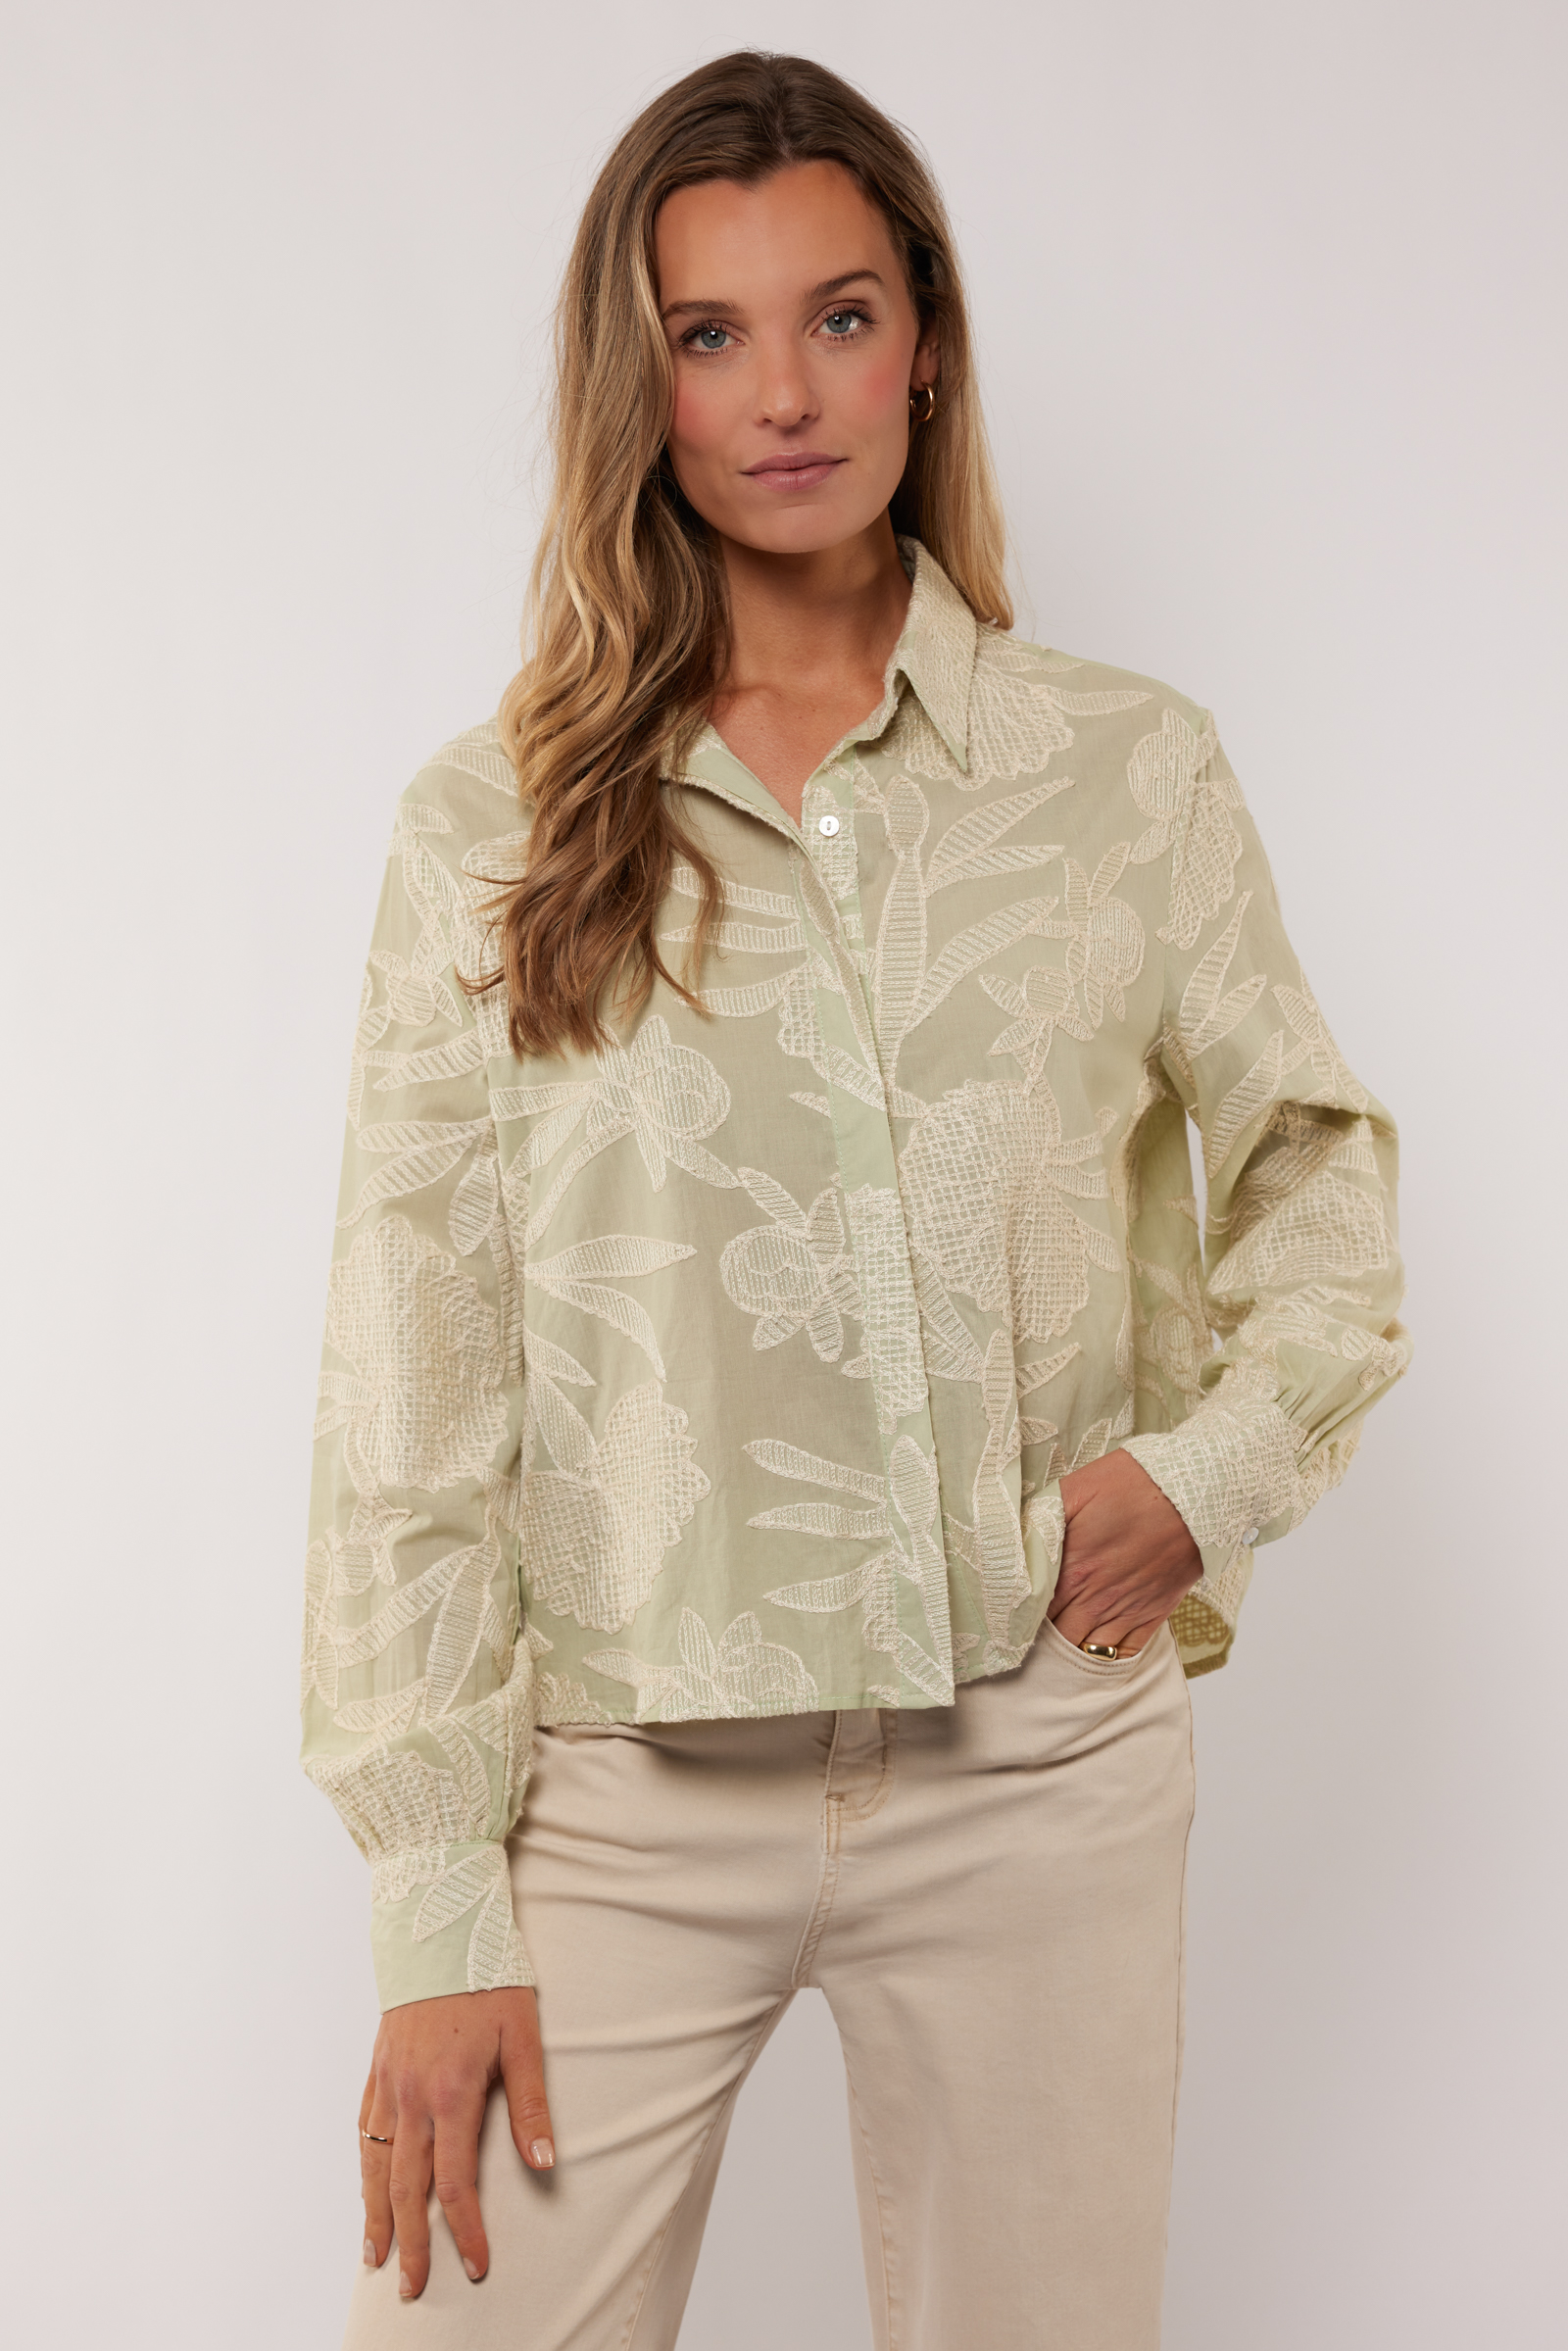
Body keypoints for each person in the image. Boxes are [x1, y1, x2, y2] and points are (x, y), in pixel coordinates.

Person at [302, 49, 1408, 2351]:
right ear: (640, 389)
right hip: (618, 1789)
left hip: (1034, 1766)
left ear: (923, 343)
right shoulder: (489, 829)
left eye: (836, 316)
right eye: (707, 335)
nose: (783, 396)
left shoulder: (1121, 773)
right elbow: (416, 1376)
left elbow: (1313, 1173)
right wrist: (436, 1902)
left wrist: (1206, 1476)